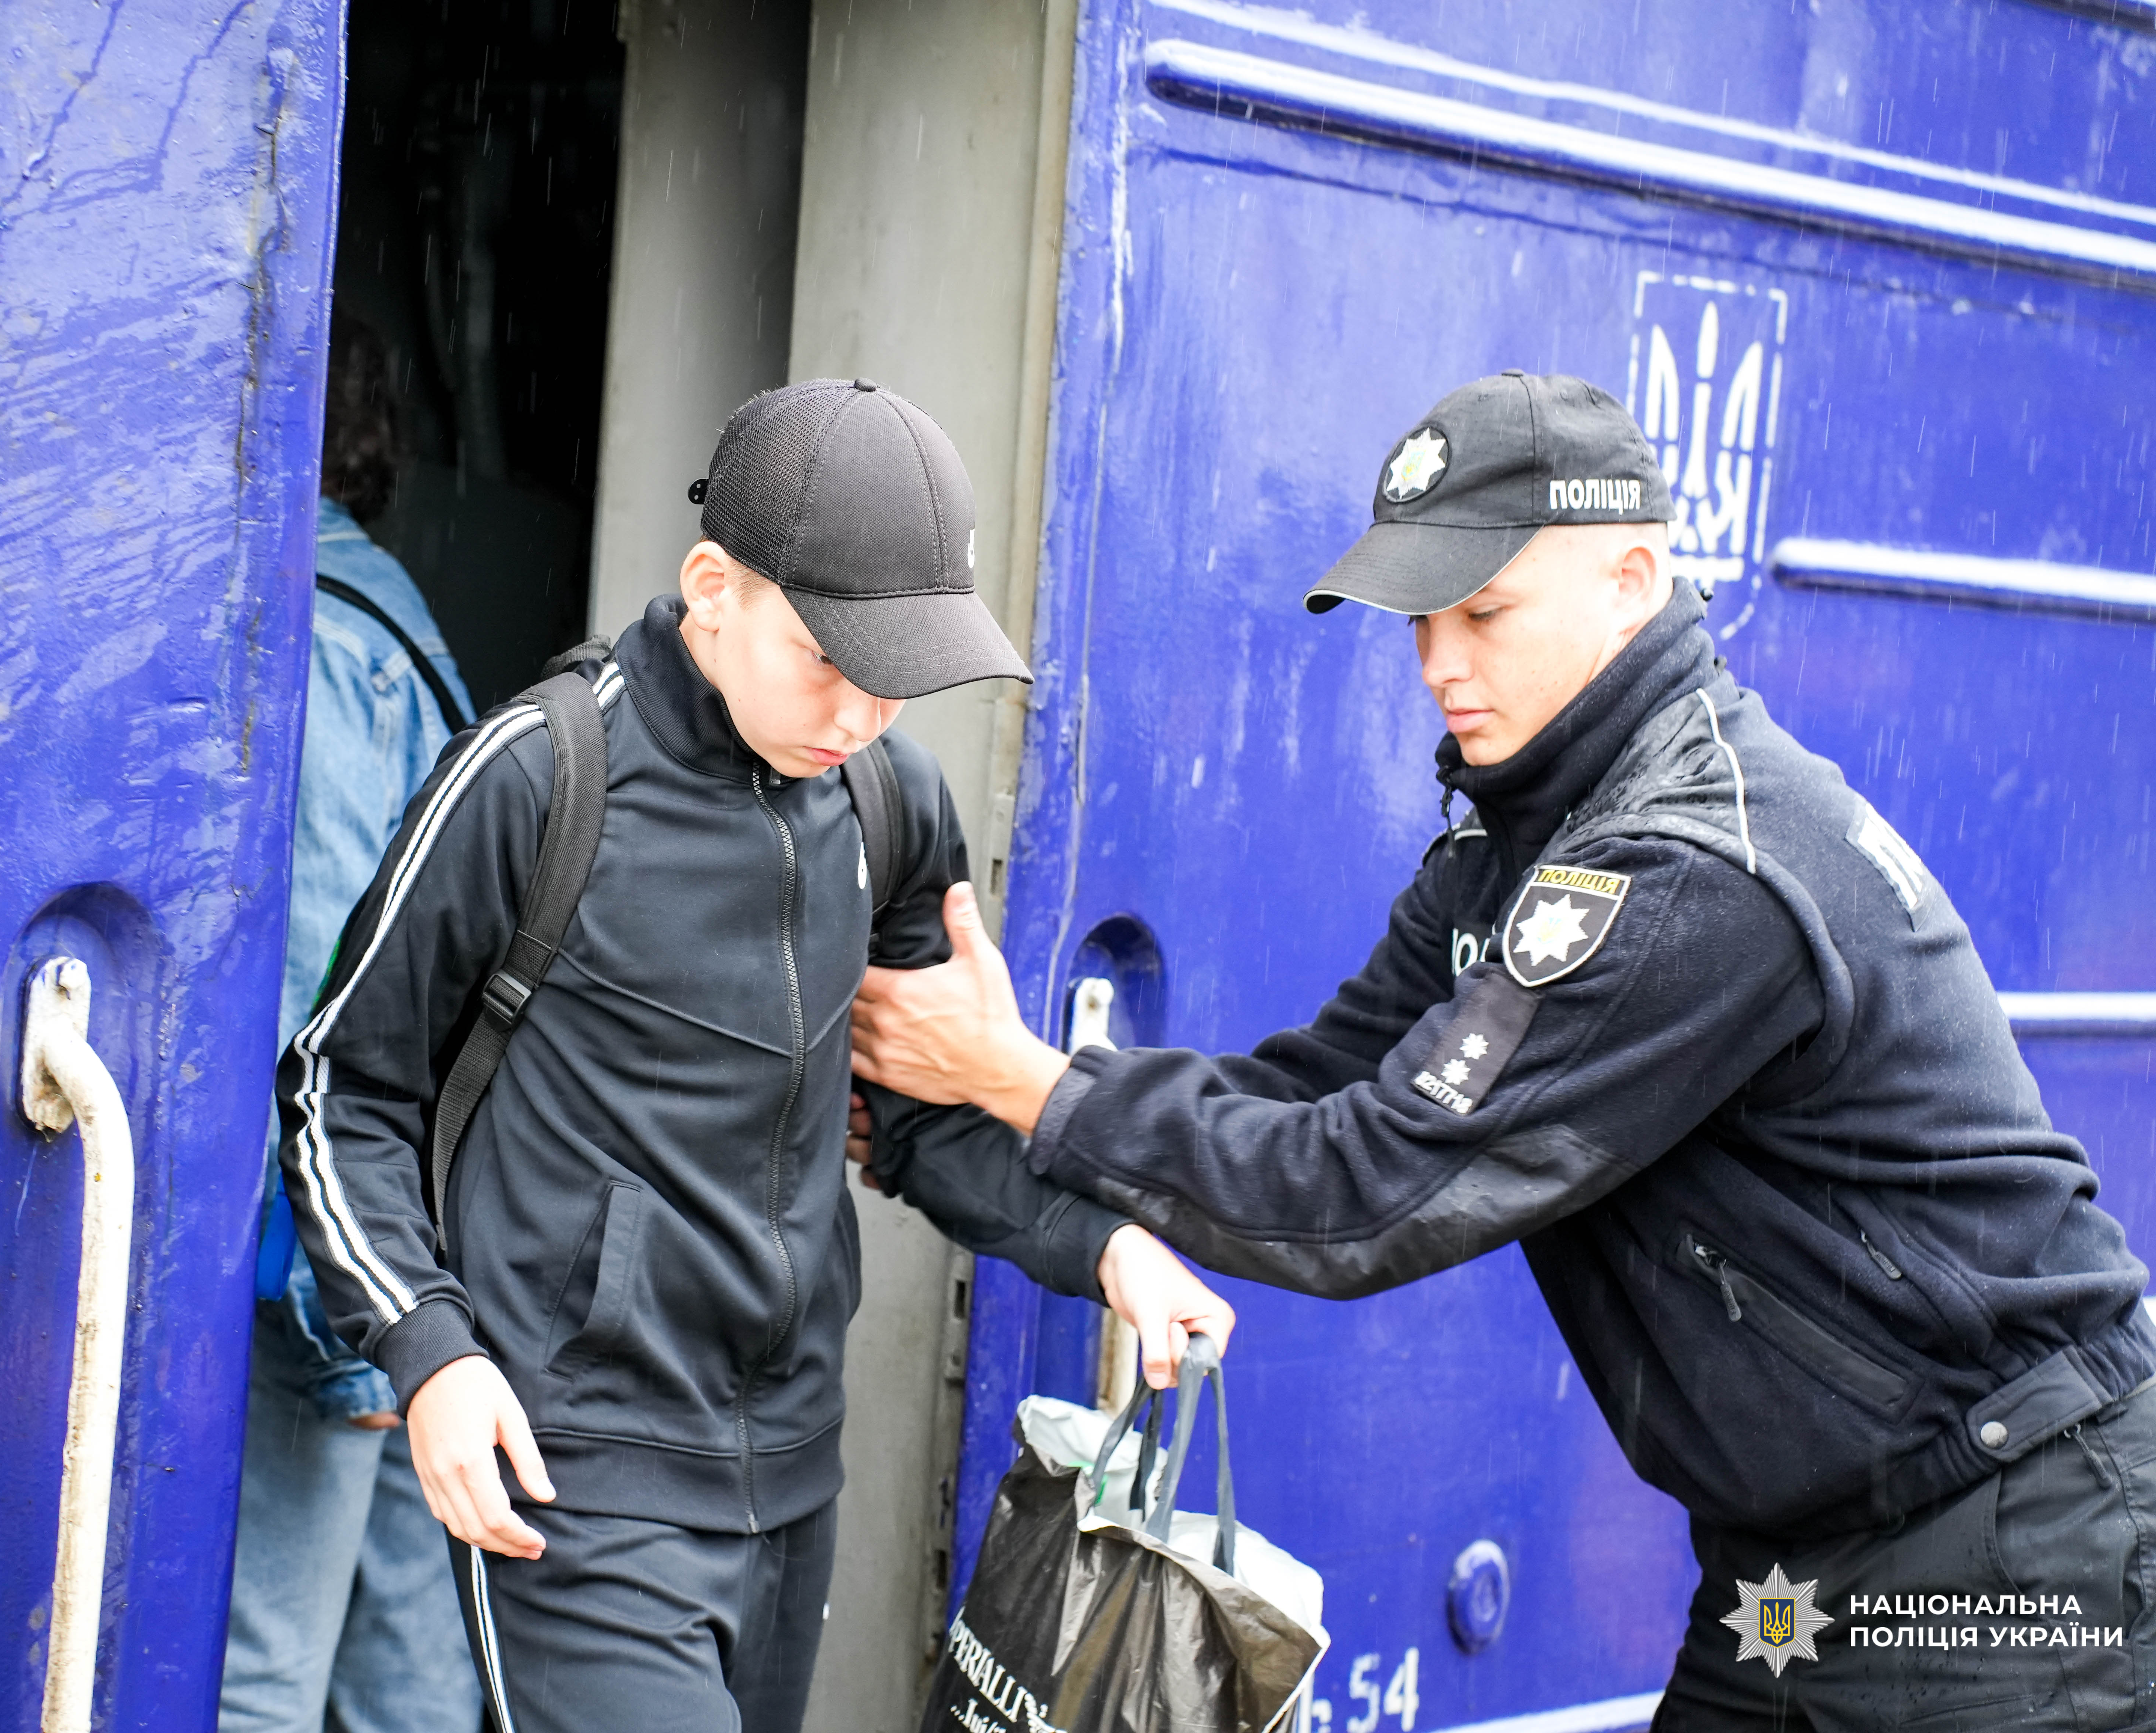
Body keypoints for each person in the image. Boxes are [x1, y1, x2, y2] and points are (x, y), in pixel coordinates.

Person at [849, 372, 2156, 1732]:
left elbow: (1366, 1192)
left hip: (2010, 1540)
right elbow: (1306, 1097)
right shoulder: (1518, 836)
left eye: (1484, 613)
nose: (1439, 663)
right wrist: (978, 1097)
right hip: (1794, 1563)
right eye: (1421, 617)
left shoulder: (1693, 866)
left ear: (1631, 581)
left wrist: (1009, 1073)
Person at [274, 377, 1235, 1733]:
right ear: (712, 589)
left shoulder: (892, 803)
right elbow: (341, 1091)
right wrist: (431, 1351)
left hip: (791, 1476)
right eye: (827, 659)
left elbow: (915, 1121)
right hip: (573, 1465)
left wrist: (1105, 1245)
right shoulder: (540, 777)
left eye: (895, 673)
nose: (861, 712)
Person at [220, 320, 484, 1733]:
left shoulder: (319, 639)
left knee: (260, 1673)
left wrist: (345, 1315)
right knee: (407, 1681)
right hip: (415, 1250)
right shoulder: (399, 623)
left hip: (333, 1271)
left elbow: (317, 1023)